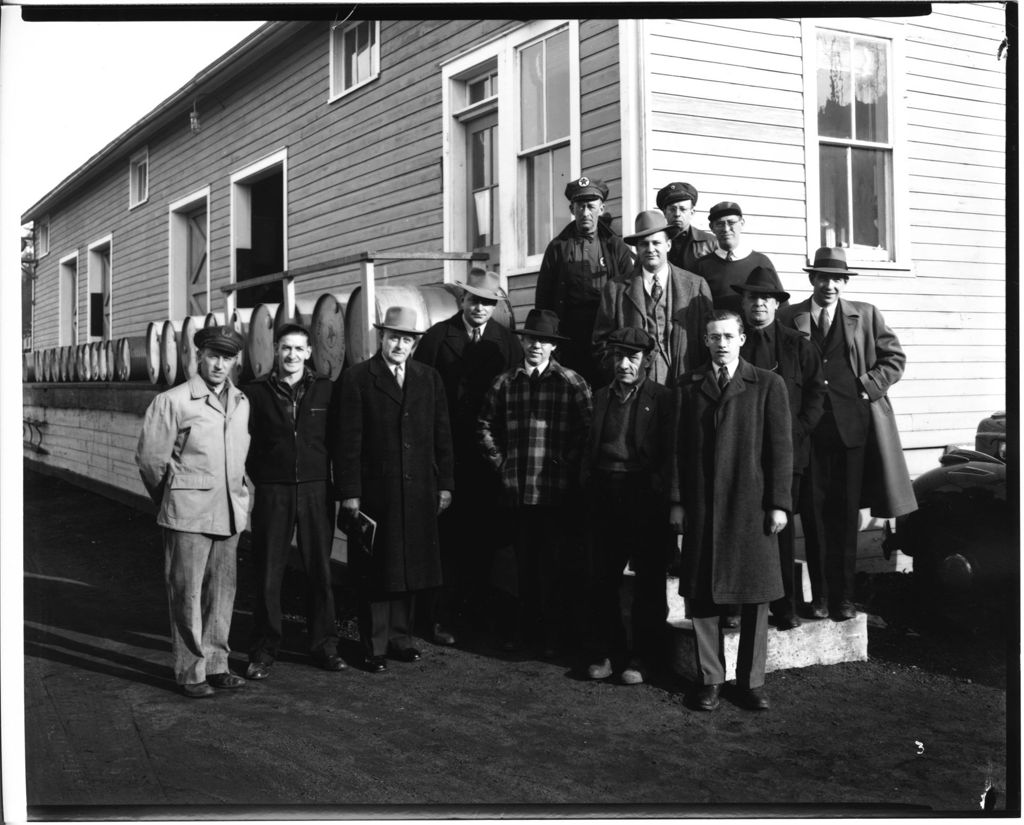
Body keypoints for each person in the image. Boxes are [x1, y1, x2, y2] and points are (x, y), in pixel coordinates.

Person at [778, 247, 917, 621]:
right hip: (809, 435)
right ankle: (820, 597)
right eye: (822, 277)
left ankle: (844, 599)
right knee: (814, 514)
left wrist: (867, 384)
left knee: (844, 516)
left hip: (853, 431)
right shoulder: (791, 317)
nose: (829, 285)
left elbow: (894, 359)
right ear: (812, 280)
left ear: (844, 282)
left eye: (836, 278)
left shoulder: (866, 315)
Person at [669, 311, 793, 712]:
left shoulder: (767, 384)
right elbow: (676, 451)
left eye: (728, 336)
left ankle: (752, 681)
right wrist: (677, 501)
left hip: (750, 505)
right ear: (705, 342)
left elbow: (781, 450)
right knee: (701, 595)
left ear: (742, 339)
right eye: (713, 337)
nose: (721, 343)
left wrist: (778, 503)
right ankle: (710, 680)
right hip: (703, 505)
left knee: (756, 596)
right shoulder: (688, 386)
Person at [333, 306, 455, 673]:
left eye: (407, 339)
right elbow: (347, 442)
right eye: (393, 337)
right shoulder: (357, 379)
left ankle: (402, 639)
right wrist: (350, 492)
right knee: (376, 570)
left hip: (419, 490)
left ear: (414, 344)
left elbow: (442, 436)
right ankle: (374, 646)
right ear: (380, 338)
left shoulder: (428, 378)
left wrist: (445, 484)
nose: (399, 345)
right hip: (376, 491)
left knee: (410, 567)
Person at [136, 326, 251, 698]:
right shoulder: (174, 401)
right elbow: (150, 461)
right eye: (213, 355)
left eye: (227, 357)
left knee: (222, 593)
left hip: (229, 512)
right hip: (188, 512)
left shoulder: (241, 401)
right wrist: (170, 499)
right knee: (186, 593)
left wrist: (242, 496)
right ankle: (190, 672)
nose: (220, 364)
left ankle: (218, 665)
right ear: (198, 356)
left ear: (236, 361)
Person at [413, 268, 523, 645]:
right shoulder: (437, 337)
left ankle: (479, 615)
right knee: (448, 537)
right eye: (475, 300)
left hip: (489, 456)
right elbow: (421, 393)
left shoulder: (505, 342)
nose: (480, 308)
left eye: (488, 302)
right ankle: (441, 617)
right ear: (462, 300)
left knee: (486, 536)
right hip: (449, 451)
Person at [478, 309, 593, 656]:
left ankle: (551, 638)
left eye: (543, 341)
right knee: (521, 568)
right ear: (523, 341)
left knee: (554, 566)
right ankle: (522, 634)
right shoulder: (505, 382)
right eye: (531, 339)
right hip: (517, 492)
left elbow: (587, 431)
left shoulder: (572, 382)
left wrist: (566, 465)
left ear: (553, 347)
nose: (536, 346)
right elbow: (483, 425)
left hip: (556, 494)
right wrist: (501, 463)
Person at [242, 322, 344, 680]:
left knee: (320, 570)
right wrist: (266, 479)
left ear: (310, 353)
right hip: (274, 491)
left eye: (299, 349)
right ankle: (264, 650)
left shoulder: (327, 390)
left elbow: (338, 442)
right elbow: (247, 445)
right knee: (269, 572)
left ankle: (324, 646)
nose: (292, 355)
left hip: (317, 489)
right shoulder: (255, 392)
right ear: (275, 349)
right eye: (286, 348)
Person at [733, 267, 826, 630]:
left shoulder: (798, 345)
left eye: (766, 298)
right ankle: (739, 606)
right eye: (752, 298)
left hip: (788, 458)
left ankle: (784, 608)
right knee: (742, 528)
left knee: (780, 531)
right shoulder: (733, 344)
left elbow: (817, 395)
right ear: (743, 303)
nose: (758, 304)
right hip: (741, 456)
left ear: (776, 304)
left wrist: (797, 431)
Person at [580, 327, 674, 685]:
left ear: (647, 361)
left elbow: (669, 455)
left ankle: (643, 658)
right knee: (600, 578)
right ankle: (607, 652)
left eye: (632, 358)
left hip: (644, 496)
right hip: (605, 491)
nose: (623, 364)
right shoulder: (600, 396)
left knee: (649, 582)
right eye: (617, 357)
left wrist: (664, 497)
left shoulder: (662, 399)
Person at [592, 210, 712, 386]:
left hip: (683, 384)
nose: (650, 250)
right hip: (635, 389)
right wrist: (622, 376)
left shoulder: (696, 286)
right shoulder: (615, 289)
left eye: (656, 243)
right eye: (644, 244)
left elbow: (707, 340)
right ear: (637, 248)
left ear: (668, 245)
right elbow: (601, 343)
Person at [534, 176, 634, 386]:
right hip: (569, 332)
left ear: (601, 208)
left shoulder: (616, 247)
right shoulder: (558, 247)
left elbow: (630, 292)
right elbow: (543, 297)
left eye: (591, 206)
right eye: (580, 206)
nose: (585, 213)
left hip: (606, 332)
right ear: (572, 209)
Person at [692, 201, 779, 314]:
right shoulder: (702, 265)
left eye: (731, 222)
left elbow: (779, 303)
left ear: (742, 223)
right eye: (720, 224)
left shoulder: (761, 262)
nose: (726, 229)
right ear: (712, 227)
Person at [657, 181, 717, 272]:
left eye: (683, 209)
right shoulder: (654, 242)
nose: (677, 214)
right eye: (672, 209)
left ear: (692, 213)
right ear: (664, 212)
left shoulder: (710, 243)